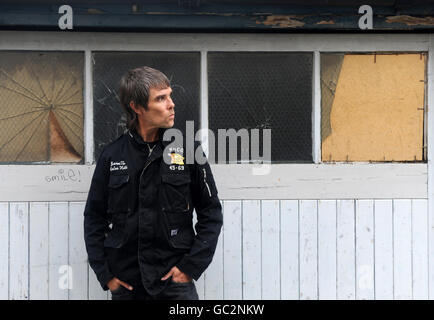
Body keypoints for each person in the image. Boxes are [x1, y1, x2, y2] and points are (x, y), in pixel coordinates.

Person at [83, 66, 223, 300]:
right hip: (128, 284)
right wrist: (105, 275)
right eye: (161, 98)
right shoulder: (112, 155)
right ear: (137, 107)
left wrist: (189, 268)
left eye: (170, 95)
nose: (171, 104)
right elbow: (94, 218)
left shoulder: (189, 151)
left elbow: (211, 213)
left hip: (175, 284)